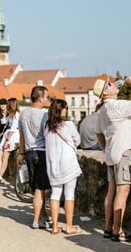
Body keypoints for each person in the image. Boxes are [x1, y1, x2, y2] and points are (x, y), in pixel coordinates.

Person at [94, 76, 131, 242]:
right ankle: (118, 231)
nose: (114, 84)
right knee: (122, 193)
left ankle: (108, 228)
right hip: (124, 152)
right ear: (107, 92)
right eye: (110, 84)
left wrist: (106, 147)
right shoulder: (117, 106)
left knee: (111, 192)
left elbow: (98, 133)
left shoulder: (102, 110)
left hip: (111, 154)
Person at [44, 99, 82, 235]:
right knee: (69, 195)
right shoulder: (69, 124)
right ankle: (69, 226)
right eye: (66, 108)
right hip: (68, 164)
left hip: (53, 165)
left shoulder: (47, 126)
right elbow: (78, 140)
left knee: (55, 194)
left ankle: (54, 226)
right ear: (62, 109)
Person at [17, 86, 52, 229]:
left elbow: (21, 136)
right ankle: (37, 220)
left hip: (29, 152)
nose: (47, 100)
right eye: (46, 97)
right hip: (42, 152)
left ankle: (42, 216)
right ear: (40, 97)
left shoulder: (23, 114)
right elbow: (49, 136)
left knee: (37, 188)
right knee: (40, 189)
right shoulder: (44, 115)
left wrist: (21, 153)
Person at [0, 98, 20, 184]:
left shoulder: (17, 114)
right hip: (7, 134)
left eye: (7, 104)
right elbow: (3, 122)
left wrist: (7, 140)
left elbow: (13, 128)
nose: (6, 106)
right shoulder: (11, 114)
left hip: (12, 136)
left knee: (5, 156)